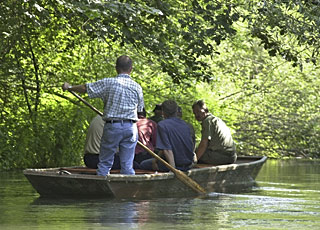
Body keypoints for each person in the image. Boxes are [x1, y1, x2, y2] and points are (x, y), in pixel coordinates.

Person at [62, 55, 144, 176]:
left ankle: (101, 186)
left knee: (105, 163)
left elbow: (86, 88)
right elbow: (140, 110)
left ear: (116, 68)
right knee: (127, 165)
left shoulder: (108, 83)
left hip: (113, 126)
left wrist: (70, 87)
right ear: (131, 69)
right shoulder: (137, 87)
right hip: (130, 128)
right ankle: (128, 190)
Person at [140, 100, 195, 172]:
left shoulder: (162, 125)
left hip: (176, 165)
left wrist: (172, 170)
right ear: (176, 111)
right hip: (188, 163)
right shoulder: (186, 125)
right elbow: (164, 148)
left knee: (143, 164)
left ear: (163, 112)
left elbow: (167, 150)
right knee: (153, 161)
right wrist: (156, 160)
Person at [192, 99, 236, 165]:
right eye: (194, 113)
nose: (196, 115)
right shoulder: (216, 120)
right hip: (232, 156)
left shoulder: (207, 121)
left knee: (192, 155)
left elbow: (204, 143)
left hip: (222, 156)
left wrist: (194, 162)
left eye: (198, 111)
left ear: (205, 110)